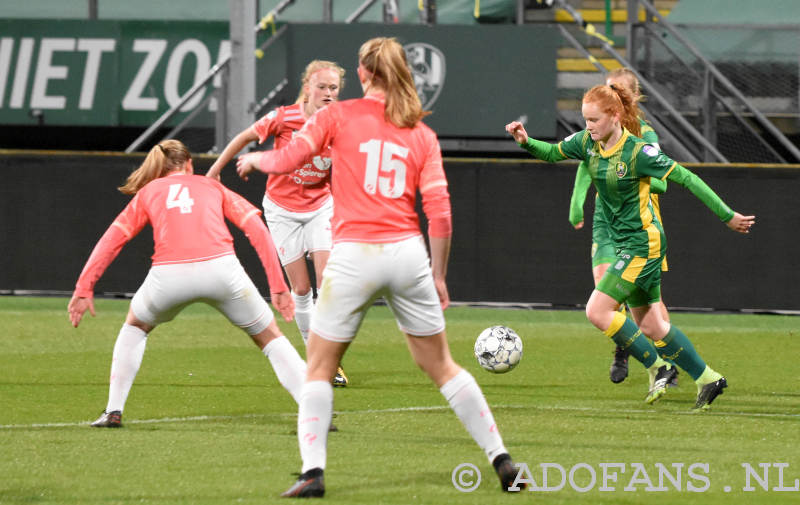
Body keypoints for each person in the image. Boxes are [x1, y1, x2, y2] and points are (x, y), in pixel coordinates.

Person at [237, 37, 525, 497]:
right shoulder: (420, 133)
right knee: (442, 366)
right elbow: (441, 211)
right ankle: (502, 459)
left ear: (364, 73)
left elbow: (291, 157)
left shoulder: (337, 114)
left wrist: (256, 157)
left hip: (354, 253)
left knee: (319, 368)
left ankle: (313, 473)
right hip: (407, 254)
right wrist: (439, 274)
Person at [506, 84, 755, 409]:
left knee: (597, 311)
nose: (588, 126)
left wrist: (727, 215)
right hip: (627, 244)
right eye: (585, 119)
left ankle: (660, 367)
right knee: (652, 325)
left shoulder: (639, 153)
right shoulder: (587, 143)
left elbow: (687, 178)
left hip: (643, 245)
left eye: (594, 119)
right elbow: (553, 153)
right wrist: (526, 142)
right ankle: (709, 379)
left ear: (615, 115)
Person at [68, 140, 306, 428]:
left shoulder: (149, 191)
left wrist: (84, 288)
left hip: (169, 276)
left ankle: (113, 411)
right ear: (190, 164)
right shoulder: (212, 186)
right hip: (222, 271)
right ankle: (315, 408)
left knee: (135, 326)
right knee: (270, 337)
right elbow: (256, 229)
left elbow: (112, 241)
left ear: (159, 167)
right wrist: (278, 286)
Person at [206, 60, 350, 388]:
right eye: (322, 87)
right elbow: (244, 137)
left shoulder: (342, 121)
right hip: (282, 211)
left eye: (333, 88)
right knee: (301, 289)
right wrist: (215, 171)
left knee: (327, 281)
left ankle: (328, 361)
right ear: (307, 87)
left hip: (320, 208)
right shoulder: (285, 117)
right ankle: (314, 353)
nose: (328, 93)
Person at [568, 68, 673, 385]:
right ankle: (623, 349)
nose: (613, 93)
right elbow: (587, 165)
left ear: (632, 97)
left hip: (639, 220)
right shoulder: (596, 131)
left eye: (619, 89)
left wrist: (638, 182)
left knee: (647, 302)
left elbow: (662, 178)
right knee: (605, 287)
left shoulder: (644, 133)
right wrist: (577, 203)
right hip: (606, 219)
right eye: (609, 88)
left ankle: (667, 359)